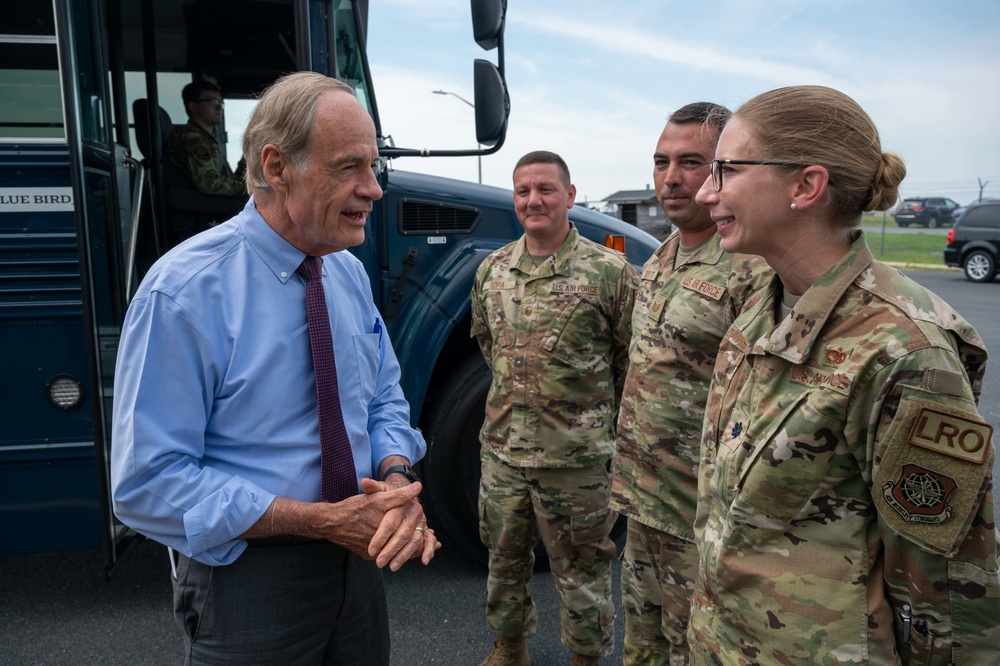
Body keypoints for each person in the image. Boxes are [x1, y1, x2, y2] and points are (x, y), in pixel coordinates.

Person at [111, 72, 440, 665]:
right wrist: (315, 521)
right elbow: (146, 482)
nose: (374, 189)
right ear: (277, 166)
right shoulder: (184, 293)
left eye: (375, 165)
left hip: (356, 566)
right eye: (350, 167)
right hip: (248, 577)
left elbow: (382, 396)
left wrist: (394, 481)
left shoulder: (345, 272)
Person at [689, 84, 1000, 664]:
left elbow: (951, 594)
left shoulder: (905, 351)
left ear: (806, 186)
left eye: (726, 169)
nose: (706, 192)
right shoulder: (763, 309)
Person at [610, 103, 771, 665]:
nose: (671, 178)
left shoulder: (753, 270)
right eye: (660, 162)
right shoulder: (661, 258)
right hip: (644, 502)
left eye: (690, 162)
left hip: (701, 519)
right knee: (642, 645)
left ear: (724, 171)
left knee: (694, 649)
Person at [470, 151, 639, 666]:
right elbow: (487, 345)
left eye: (545, 189)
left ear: (569, 196)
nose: (533, 200)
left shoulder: (609, 273)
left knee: (583, 571)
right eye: (523, 191)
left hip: (576, 461)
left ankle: (586, 658)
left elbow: (627, 360)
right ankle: (510, 646)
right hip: (503, 455)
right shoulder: (493, 270)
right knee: (502, 563)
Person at [168, 80, 247, 199]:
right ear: (193, 106)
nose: (219, 107)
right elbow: (208, 182)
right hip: (206, 208)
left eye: (220, 102)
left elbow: (229, 180)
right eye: (213, 101)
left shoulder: (206, 139)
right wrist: (248, 191)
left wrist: (249, 157)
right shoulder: (192, 139)